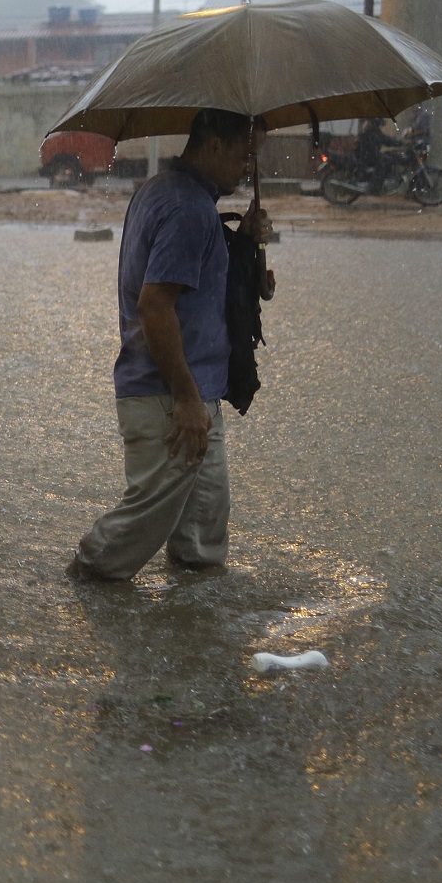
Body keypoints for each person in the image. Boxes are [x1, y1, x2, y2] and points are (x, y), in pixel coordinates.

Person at [69, 108, 272, 581]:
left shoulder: (164, 192)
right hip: (170, 396)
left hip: (197, 392)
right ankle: (81, 585)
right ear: (215, 145)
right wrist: (184, 398)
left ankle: (192, 630)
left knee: (202, 534)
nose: (248, 167)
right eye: (245, 154)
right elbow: (155, 307)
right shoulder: (188, 210)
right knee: (136, 530)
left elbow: (193, 287)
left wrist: (243, 249)